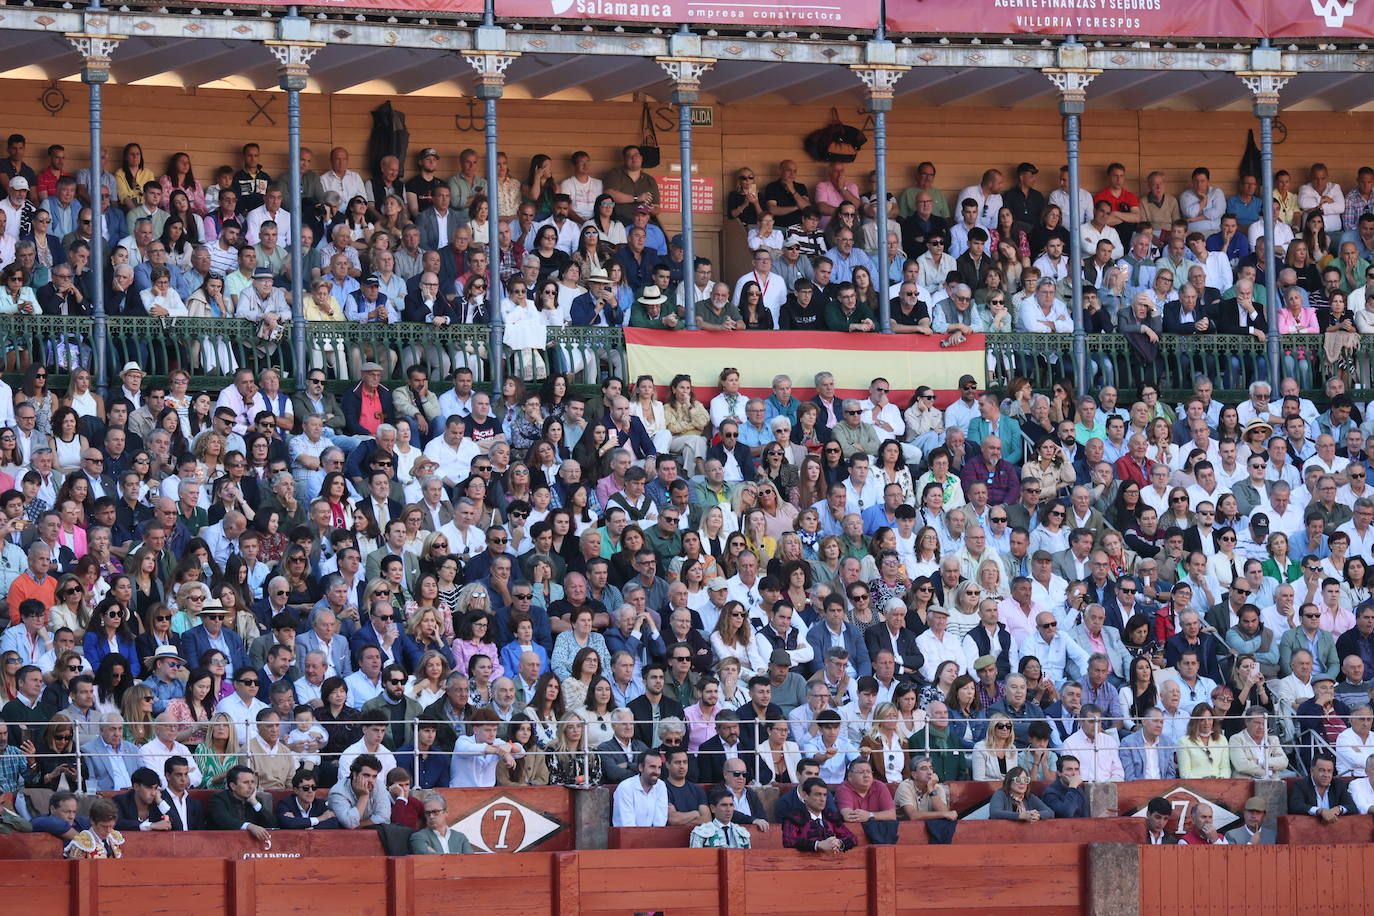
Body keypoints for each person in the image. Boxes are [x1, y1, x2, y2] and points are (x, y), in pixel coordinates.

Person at [782, 777, 857, 854]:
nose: (822, 799)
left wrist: (839, 843)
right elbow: (789, 841)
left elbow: (852, 838)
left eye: (824, 795)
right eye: (818, 795)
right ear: (805, 795)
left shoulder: (830, 816)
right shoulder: (794, 818)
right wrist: (817, 845)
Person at [834, 757, 898, 844]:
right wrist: (876, 816)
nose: (866, 775)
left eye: (868, 772)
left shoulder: (880, 786)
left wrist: (869, 815)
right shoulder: (843, 789)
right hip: (853, 839)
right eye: (861, 772)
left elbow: (892, 815)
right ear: (850, 776)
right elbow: (848, 816)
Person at [207, 765, 277, 839]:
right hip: (221, 843)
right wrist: (249, 826)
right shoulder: (218, 799)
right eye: (246, 782)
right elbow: (224, 821)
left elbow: (272, 824)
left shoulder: (255, 800)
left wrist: (255, 803)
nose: (251, 786)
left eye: (252, 782)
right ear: (233, 786)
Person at [1288, 753, 1355, 823]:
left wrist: (1338, 809)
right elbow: (1295, 806)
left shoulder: (1338, 784)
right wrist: (1320, 811)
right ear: (1312, 770)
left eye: (1329, 771)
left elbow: (1352, 807)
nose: (1326, 775)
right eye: (1322, 770)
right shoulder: (1301, 784)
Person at [611, 749, 667, 827]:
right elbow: (628, 826)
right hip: (626, 837)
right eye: (652, 767)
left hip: (653, 837)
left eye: (659, 767)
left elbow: (660, 823)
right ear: (641, 767)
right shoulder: (625, 787)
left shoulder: (661, 786)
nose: (657, 772)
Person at [410, 794, 475, 854]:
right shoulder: (418, 837)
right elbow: (430, 858)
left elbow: (470, 860)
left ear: (446, 812)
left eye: (435, 812)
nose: (431, 816)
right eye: (427, 813)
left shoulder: (460, 837)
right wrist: (457, 856)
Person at [988, 766, 1055, 821]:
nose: (1022, 783)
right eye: (1018, 780)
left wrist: (1037, 815)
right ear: (1009, 781)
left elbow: (1050, 812)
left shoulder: (1030, 797)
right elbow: (995, 813)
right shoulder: (1000, 794)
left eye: (1025, 780)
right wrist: (1020, 816)